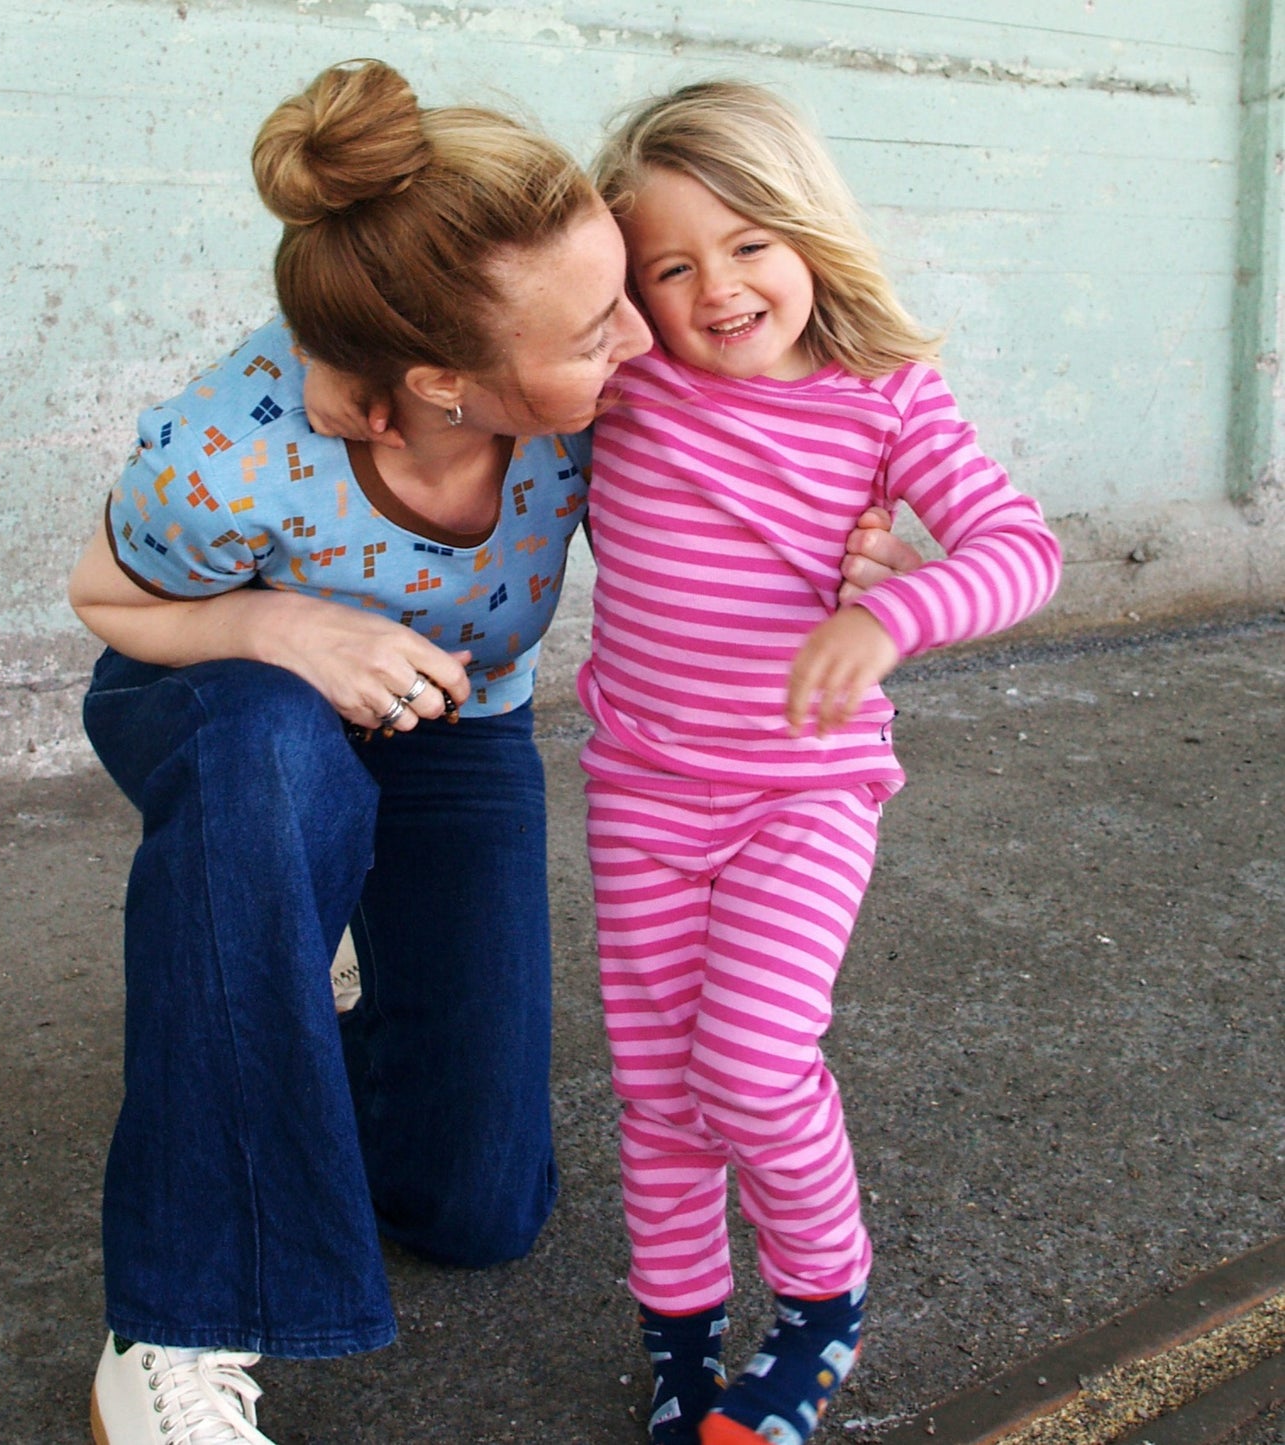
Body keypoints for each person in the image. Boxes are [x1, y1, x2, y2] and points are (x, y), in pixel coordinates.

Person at [69, 58, 922, 1445]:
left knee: (476, 1206)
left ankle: (256, 992)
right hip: (228, 700)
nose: (644, 340)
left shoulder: (592, 410)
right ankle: (176, 1318)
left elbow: (795, 432)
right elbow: (106, 605)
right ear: (440, 383)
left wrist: (861, 557)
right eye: (601, 326)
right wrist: (287, 625)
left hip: (455, 724)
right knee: (272, 765)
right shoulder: (233, 451)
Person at [574, 83, 1063, 1445]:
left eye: (747, 243)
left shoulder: (884, 395)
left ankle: (819, 1300)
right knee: (657, 1087)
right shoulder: (625, 387)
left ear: (806, 234)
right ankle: (680, 1342)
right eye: (669, 266)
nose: (715, 287)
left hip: (805, 796)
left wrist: (888, 607)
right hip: (644, 793)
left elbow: (1021, 550)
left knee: (747, 1061)